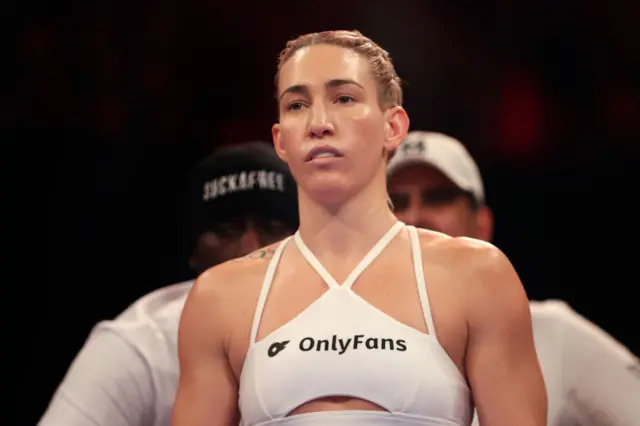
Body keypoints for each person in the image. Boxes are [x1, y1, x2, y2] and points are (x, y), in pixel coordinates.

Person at [172, 30, 546, 426]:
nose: (318, 122)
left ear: (393, 127)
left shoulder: (476, 276)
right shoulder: (220, 297)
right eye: (297, 104)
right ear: (280, 141)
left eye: (344, 98)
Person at [387, 130, 640, 426]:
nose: (415, 217)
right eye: (396, 202)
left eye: (438, 197)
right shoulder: (349, 342)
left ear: (482, 226)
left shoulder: (550, 333)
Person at [38, 141, 299, 426]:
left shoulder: (345, 332)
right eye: (226, 230)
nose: (250, 248)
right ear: (194, 254)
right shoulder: (142, 347)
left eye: (272, 227)